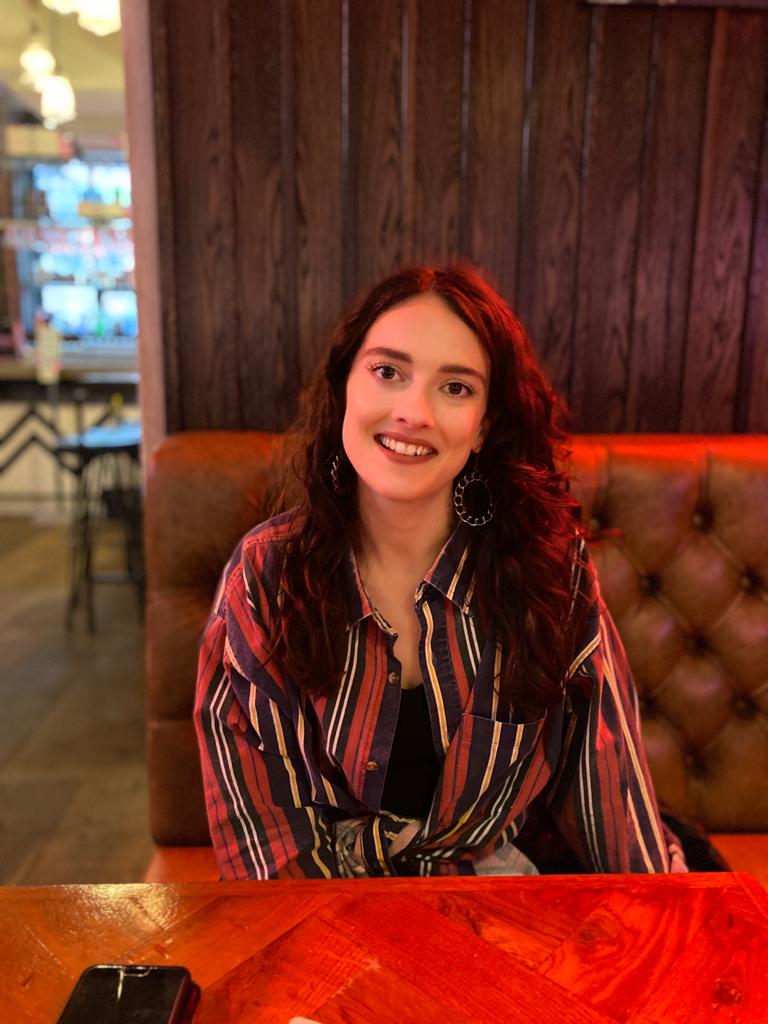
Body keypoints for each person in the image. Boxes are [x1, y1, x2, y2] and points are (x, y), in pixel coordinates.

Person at [194, 265, 686, 880]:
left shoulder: (549, 573)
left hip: (501, 898)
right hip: (327, 905)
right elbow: (267, 847)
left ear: (484, 426)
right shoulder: (266, 576)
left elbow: (607, 786)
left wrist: (659, 919)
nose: (413, 412)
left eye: (455, 388)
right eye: (387, 372)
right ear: (345, 387)